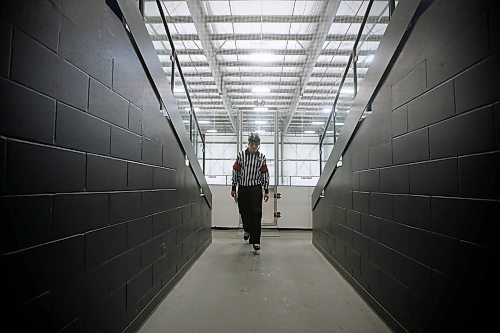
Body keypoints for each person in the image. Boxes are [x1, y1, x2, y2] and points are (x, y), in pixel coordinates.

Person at [231, 132, 270, 254]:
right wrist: (233, 187)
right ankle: (247, 229)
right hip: (242, 187)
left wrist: (266, 190)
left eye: (256, 144)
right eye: (252, 144)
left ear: (259, 145)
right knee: (243, 211)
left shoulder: (261, 157)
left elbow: (265, 174)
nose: (254, 146)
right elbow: (235, 172)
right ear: (248, 144)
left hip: (255, 188)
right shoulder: (241, 155)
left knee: (256, 213)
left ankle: (256, 241)